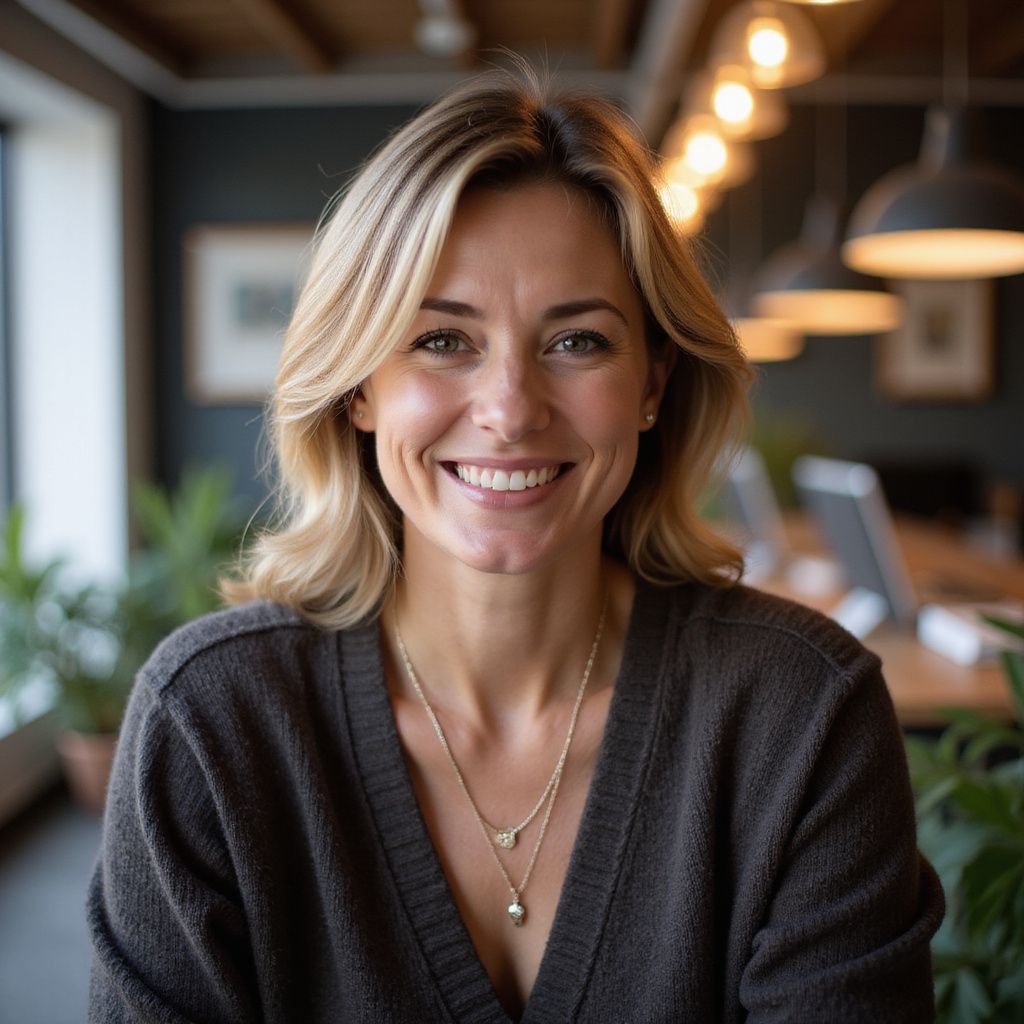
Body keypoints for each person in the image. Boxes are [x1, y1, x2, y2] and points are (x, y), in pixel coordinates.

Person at [87, 68, 943, 1023]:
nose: (508, 411)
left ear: (654, 381)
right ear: (358, 385)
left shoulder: (801, 714)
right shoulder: (213, 721)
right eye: (442, 342)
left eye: (577, 342)